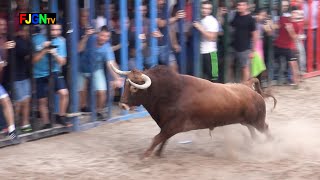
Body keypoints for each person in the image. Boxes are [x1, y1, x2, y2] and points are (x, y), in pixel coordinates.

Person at [78, 25, 124, 120]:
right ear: (98, 34)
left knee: (102, 92)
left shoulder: (107, 48)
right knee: (81, 91)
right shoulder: (90, 38)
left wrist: (117, 78)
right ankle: (81, 109)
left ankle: (99, 112)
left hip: (96, 68)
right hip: (80, 67)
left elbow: (110, 64)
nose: (104, 38)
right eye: (102, 35)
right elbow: (79, 49)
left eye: (107, 36)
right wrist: (86, 37)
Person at [32, 24, 70, 129]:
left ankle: (61, 116)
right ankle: (46, 123)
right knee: (42, 100)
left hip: (54, 71)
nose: (55, 32)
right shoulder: (36, 38)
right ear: (48, 29)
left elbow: (63, 62)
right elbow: (33, 60)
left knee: (64, 93)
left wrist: (54, 53)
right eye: (53, 29)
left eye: (58, 30)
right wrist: (44, 50)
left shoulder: (60, 41)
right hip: (39, 73)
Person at [273, 3, 301, 87]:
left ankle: (296, 82)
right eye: (294, 13)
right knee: (269, 60)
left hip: (288, 47)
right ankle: (271, 80)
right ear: (291, 13)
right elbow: (276, 26)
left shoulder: (296, 25)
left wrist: (291, 30)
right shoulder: (283, 19)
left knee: (293, 64)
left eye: (297, 13)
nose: (295, 15)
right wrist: (271, 26)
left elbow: (295, 38)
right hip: (278, 45)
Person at [230, 0, 258, 83]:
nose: (240, 7)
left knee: (245, 67)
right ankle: (232, 83)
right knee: (230, 65)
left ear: (246, 6)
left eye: (243, 5)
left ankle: (245, 86)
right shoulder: (235, 15)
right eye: (239, 5)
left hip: (245, 47)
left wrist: (253, 50)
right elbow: (231, 25)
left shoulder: (250, 19)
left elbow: (255, 34)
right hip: (234, 46)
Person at [193, 1, 219, 82]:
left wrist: (200, 28)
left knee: (214, 78)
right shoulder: (199, 19)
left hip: (211, 53)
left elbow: (212, 37)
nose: (205, 10)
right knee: (203, 79)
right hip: (201, 53)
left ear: (210, 10)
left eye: (207, 9)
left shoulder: (212, 21)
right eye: (203, 8)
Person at [0, 18, 18, 140]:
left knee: (6, 101)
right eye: (1, 25)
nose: (3, 26)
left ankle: (11, 132)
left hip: (4, 78)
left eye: (4, 24)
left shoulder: (23, 17)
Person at [13, 25, 32, 133]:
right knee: (19, 102)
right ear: (20, 31)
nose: (27, 33)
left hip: (25, 75)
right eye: (25, 31)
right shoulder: (18, 41)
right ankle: (14, 124)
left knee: (26, 100)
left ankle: (25, 123)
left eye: (28, 31)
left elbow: (29, 54)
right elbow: (25, 52)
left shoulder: (28, 41)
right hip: (16, 77)